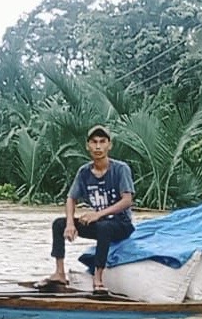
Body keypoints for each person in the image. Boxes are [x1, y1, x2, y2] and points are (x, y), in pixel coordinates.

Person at [43, 125, 135, 296]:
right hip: (99, 222)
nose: (98, 147)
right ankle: (60, 273)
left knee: (104, 226)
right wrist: (70, 223)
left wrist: (98, 214)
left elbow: (127, 200)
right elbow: (71, 198)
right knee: (59, 224)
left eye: (102, 142)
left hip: (121, 224)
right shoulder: (84, 172)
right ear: (87, 146)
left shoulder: (120, 169)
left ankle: (98, 278)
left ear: (109, 145)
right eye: (94, 142)